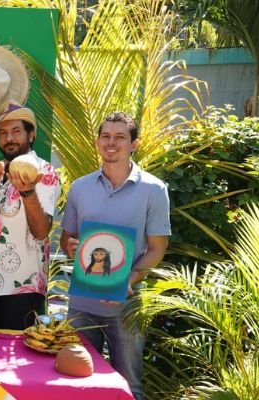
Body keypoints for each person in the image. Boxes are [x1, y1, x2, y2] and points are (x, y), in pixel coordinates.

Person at [60, 112, 171, 400]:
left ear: (134, 144)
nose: (112, 142)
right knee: (77, 383)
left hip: (127, 304)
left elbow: (158, 248)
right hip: (82, 303)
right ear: (97, 141)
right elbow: (66, 239)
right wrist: (70, 247)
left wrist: (131, 278)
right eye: (106, 136)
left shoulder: (154, 190)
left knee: (129, 385)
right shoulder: (79, 188)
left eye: (120, 137)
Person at [0, 103, 61, 330]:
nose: (9, 138)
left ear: (31, 134)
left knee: (15, 359)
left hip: (22, 288)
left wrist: (27, 192)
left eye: (16, 131)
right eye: (2, 133)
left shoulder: (44, 172)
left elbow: (40, 232)